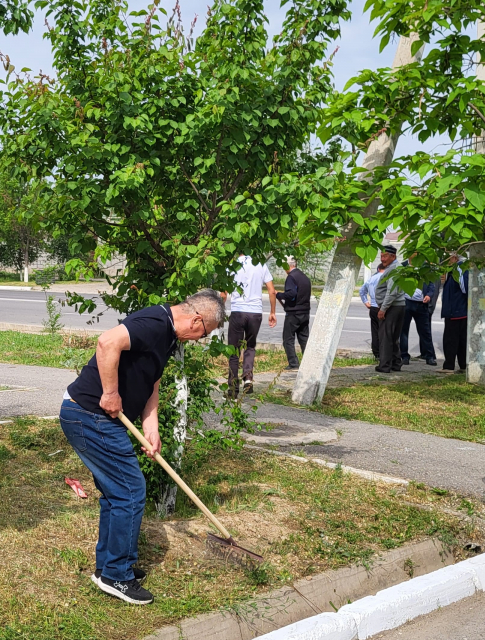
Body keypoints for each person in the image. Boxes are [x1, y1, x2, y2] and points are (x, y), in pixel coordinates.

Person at [60, 290, 226, 605]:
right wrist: (109, 392)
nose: (199, 338)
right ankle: (116, 576)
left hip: (95, 419)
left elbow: (152, 383)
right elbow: (107, 342)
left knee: (116, 493)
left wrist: (151, 429)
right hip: (89, 415)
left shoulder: (168, 336)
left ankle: (107, 567)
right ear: (195, 319)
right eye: (204, 332)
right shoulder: (154, 322)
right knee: (131, 491)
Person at [223, 255, 276, 396]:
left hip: (238, 311)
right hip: (255, 312)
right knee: (250, 346)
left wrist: (220, 311)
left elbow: (223, 293)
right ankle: (247, 377)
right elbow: (271, 290)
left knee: (234, 351)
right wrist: (272, 312)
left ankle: (233, 388)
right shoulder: (260, 264)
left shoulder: (233, 265)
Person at [373, 245, 405, 373]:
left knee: (386, 337)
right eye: (381, 256)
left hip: (392, 307)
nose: (382, 259)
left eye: (385, 256)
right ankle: (396, 363)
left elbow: (392, 292)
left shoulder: (394, 269)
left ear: (393, 256)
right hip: (398, 306)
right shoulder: (395, 267)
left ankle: (385, 366)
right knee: (393, 337)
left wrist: (383, 309)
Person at [399, 264, 438, 366]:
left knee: (425, 332)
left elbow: (431, 285)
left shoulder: (425, 268)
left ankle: (429, 356)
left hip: (421, 305)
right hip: (406, 303)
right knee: (403, 331)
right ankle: (404, 356)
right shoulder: (403, 267)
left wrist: (429, 295)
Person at [277, 256, 313, 369]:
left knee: (288, 339)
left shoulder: (291, 278)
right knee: (304, 338)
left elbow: (291, 294)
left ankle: (293, 363)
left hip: (294, 313)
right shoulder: (304, 277)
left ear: (288, 265)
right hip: (305, 312)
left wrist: (279, 295)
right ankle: (308, 363)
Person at [439, 255, 469, 373]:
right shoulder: (453, 271)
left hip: (456, 310)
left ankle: (449, 365)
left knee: (451, 340)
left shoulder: (459, 270)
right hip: (456, 310)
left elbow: (464, 288)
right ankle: (462, 365)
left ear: (454, 258)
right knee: (460, 339)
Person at [359, 259, 388, 359]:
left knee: (375, 331)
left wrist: (366, 302)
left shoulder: (371, 279)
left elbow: (362, 291)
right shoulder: (387, 278)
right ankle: (385, 354)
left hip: (373, 307)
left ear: (378, 269)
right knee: (384, 332)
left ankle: (376, 353)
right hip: (384, 308)